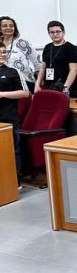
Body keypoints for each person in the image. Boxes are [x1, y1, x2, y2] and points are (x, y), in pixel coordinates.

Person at [0, 41, 30, 181]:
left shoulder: (13, 71)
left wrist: (2, 94)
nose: (2, 55)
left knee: (12, 149)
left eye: (4, 52)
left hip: (8, 117)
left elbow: (25, 93)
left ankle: (15, 179)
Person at [35, 20, 77, 97]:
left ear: (63, 32)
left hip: (65, 87)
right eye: (52, 32)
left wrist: (65, 89)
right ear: (49, 34)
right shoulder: (47, 47)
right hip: (49, 86)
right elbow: (43, 67)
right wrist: (37, 84)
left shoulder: (71, 48)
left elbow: (73, 70)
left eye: (58, 32)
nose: (55, 34)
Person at [0, 16, 40, 87]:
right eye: (4, 26)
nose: (8, 28)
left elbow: (36, 62)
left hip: (24, 81)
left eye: (11, 26)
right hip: (4, 82)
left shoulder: (22, 43)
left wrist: (39, 81)